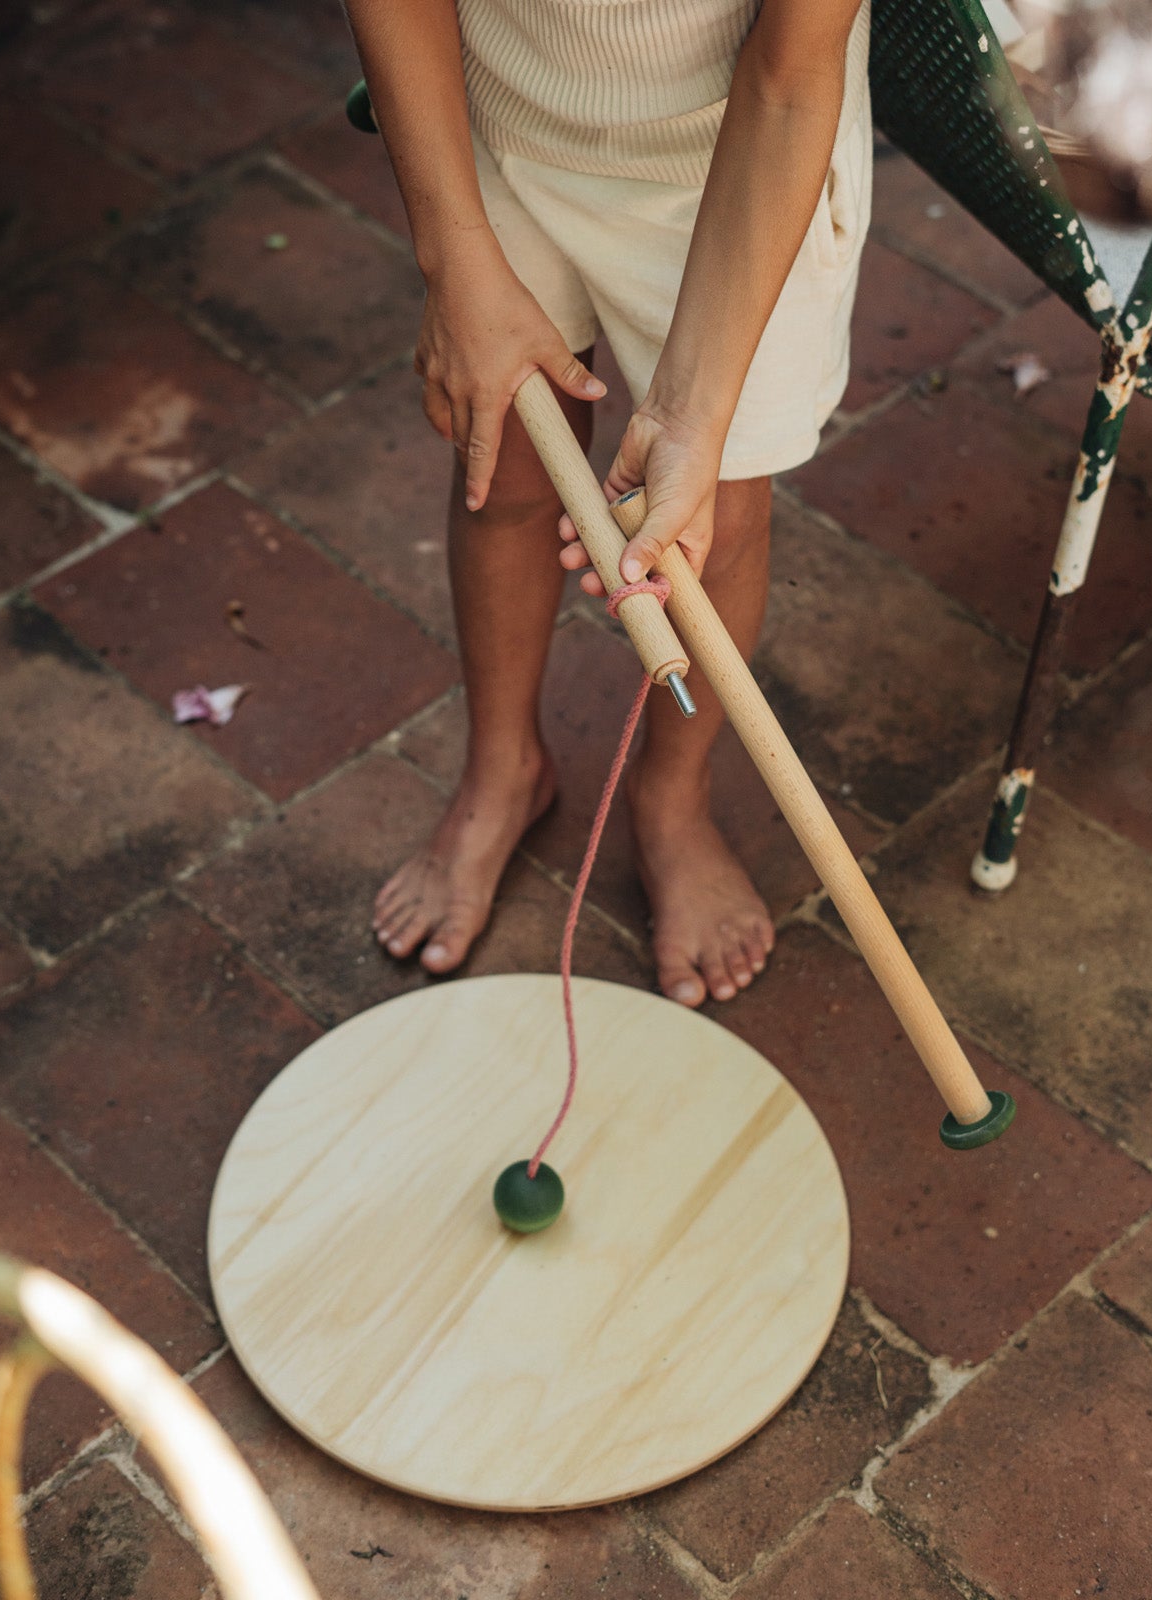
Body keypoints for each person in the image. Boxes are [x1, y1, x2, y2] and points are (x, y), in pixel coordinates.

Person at [349, 0, 872, 1006]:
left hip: (741, 156)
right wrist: (452, 262)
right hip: (496, 119)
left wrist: (691, 411)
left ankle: (672, 800)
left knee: (711, 514)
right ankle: (502, 770)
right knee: (498, 466)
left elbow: (788, 72)